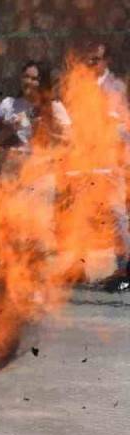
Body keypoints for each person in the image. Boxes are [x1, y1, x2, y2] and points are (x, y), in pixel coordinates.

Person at [79, 40, 130, 291]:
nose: (91, 64)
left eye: (95, 59)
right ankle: (81, 269)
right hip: (85, 162)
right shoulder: (80, 86)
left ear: (106, 61)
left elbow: (125, 125)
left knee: (117, 216)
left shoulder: (116, 87)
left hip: (110, 162)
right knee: (83, 216)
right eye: (88, 59)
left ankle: (125, 267)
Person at [0, 61, 71, 170]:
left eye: (34, 79)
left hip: (41, 172)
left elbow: (70, 142)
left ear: (43, 83)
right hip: (9, 172)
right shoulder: (8, 104)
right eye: (26, 77)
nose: (28, 82)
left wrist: (47, 132)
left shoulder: (54, 107)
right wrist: (8, 130)